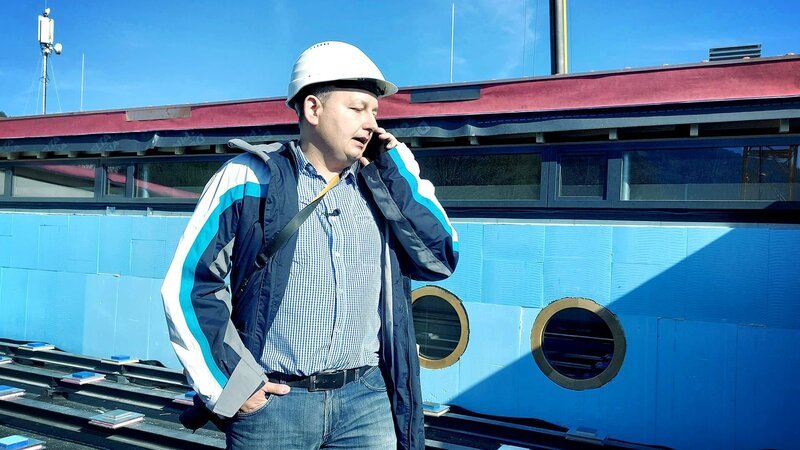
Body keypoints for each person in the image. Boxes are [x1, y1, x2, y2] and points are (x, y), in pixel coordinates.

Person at [161, 41, 458, 450]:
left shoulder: (382, 182)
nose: (371, 123)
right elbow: (189, 284)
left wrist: (396, 169)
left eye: (375, 112)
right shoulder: (248, 179)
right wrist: (233, 385)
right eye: (357, 108)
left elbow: (440, 258)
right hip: (275, 406)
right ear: (313, 109)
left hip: (367, 401)